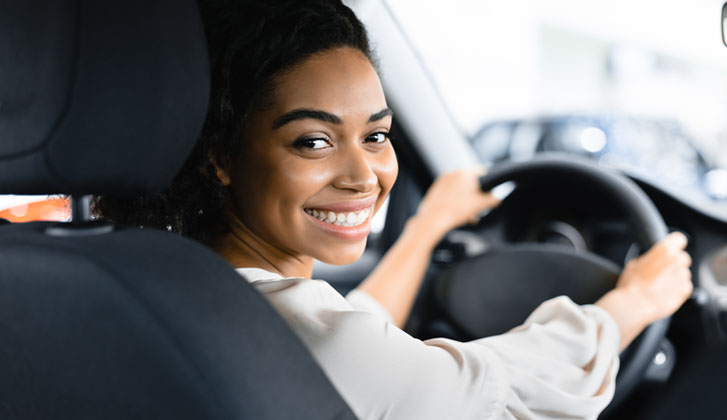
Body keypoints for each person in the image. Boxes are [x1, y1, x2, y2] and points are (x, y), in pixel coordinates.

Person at [94, 0, 693, 418]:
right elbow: (501, 390)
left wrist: (426, 227)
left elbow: (351, 341)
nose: (364, 177)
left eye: (376, 136)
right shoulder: (304, 342)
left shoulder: (151, 287)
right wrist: (630, 303)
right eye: (314, 141)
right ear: (220, 155)